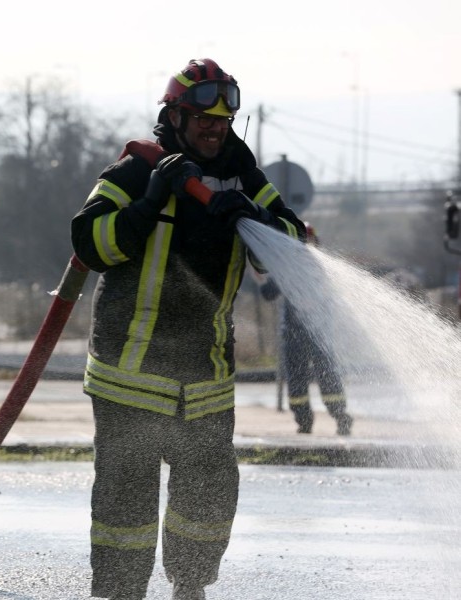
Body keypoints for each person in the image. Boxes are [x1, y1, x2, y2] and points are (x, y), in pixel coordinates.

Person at [70, 58, 305, 599]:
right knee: (126, 497)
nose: (214, 127)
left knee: (210, 492)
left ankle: (190, 587)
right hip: (131, 373)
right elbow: (90, 244)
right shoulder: (133, 173)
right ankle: (119, 592)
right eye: (202, 117)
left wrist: (255, 217)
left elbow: (294, 245)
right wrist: (151, 201)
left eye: (223, 119)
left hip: (206, 376)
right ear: (175, 116)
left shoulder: (244, 176)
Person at [260, 223, 354, 436]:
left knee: (326, 377)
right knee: (300, 381)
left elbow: (268, 292)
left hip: (315, 334)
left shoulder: (310, 266)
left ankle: (338, 418)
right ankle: (306, 422)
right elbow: (268, 292)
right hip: (299, 335)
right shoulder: (289, 267)